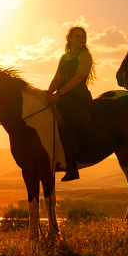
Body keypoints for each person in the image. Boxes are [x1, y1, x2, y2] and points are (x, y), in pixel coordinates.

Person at [46, 26, 97, 181]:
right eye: (77, 36)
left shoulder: (85, 56)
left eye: (83, 37)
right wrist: (48, 93)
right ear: (69, 39)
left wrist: (59, 94)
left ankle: (72, 167)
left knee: (65, 123)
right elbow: (57, 78)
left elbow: (78, 78)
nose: (81, 39)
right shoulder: (64, 57)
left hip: (77, 98)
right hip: (62, 96)